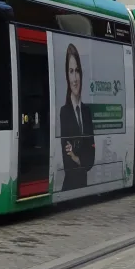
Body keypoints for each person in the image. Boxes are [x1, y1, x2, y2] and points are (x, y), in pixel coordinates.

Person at [59, 44, 94, 191]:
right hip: (70, 185)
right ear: (67, 76)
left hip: (83, 185)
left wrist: (76, 157)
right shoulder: (64, 112)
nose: (75, 78)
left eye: (77, 71)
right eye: (71, 71)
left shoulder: (86, 111)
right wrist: (79, 158)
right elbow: (67, 161)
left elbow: (91, 157)